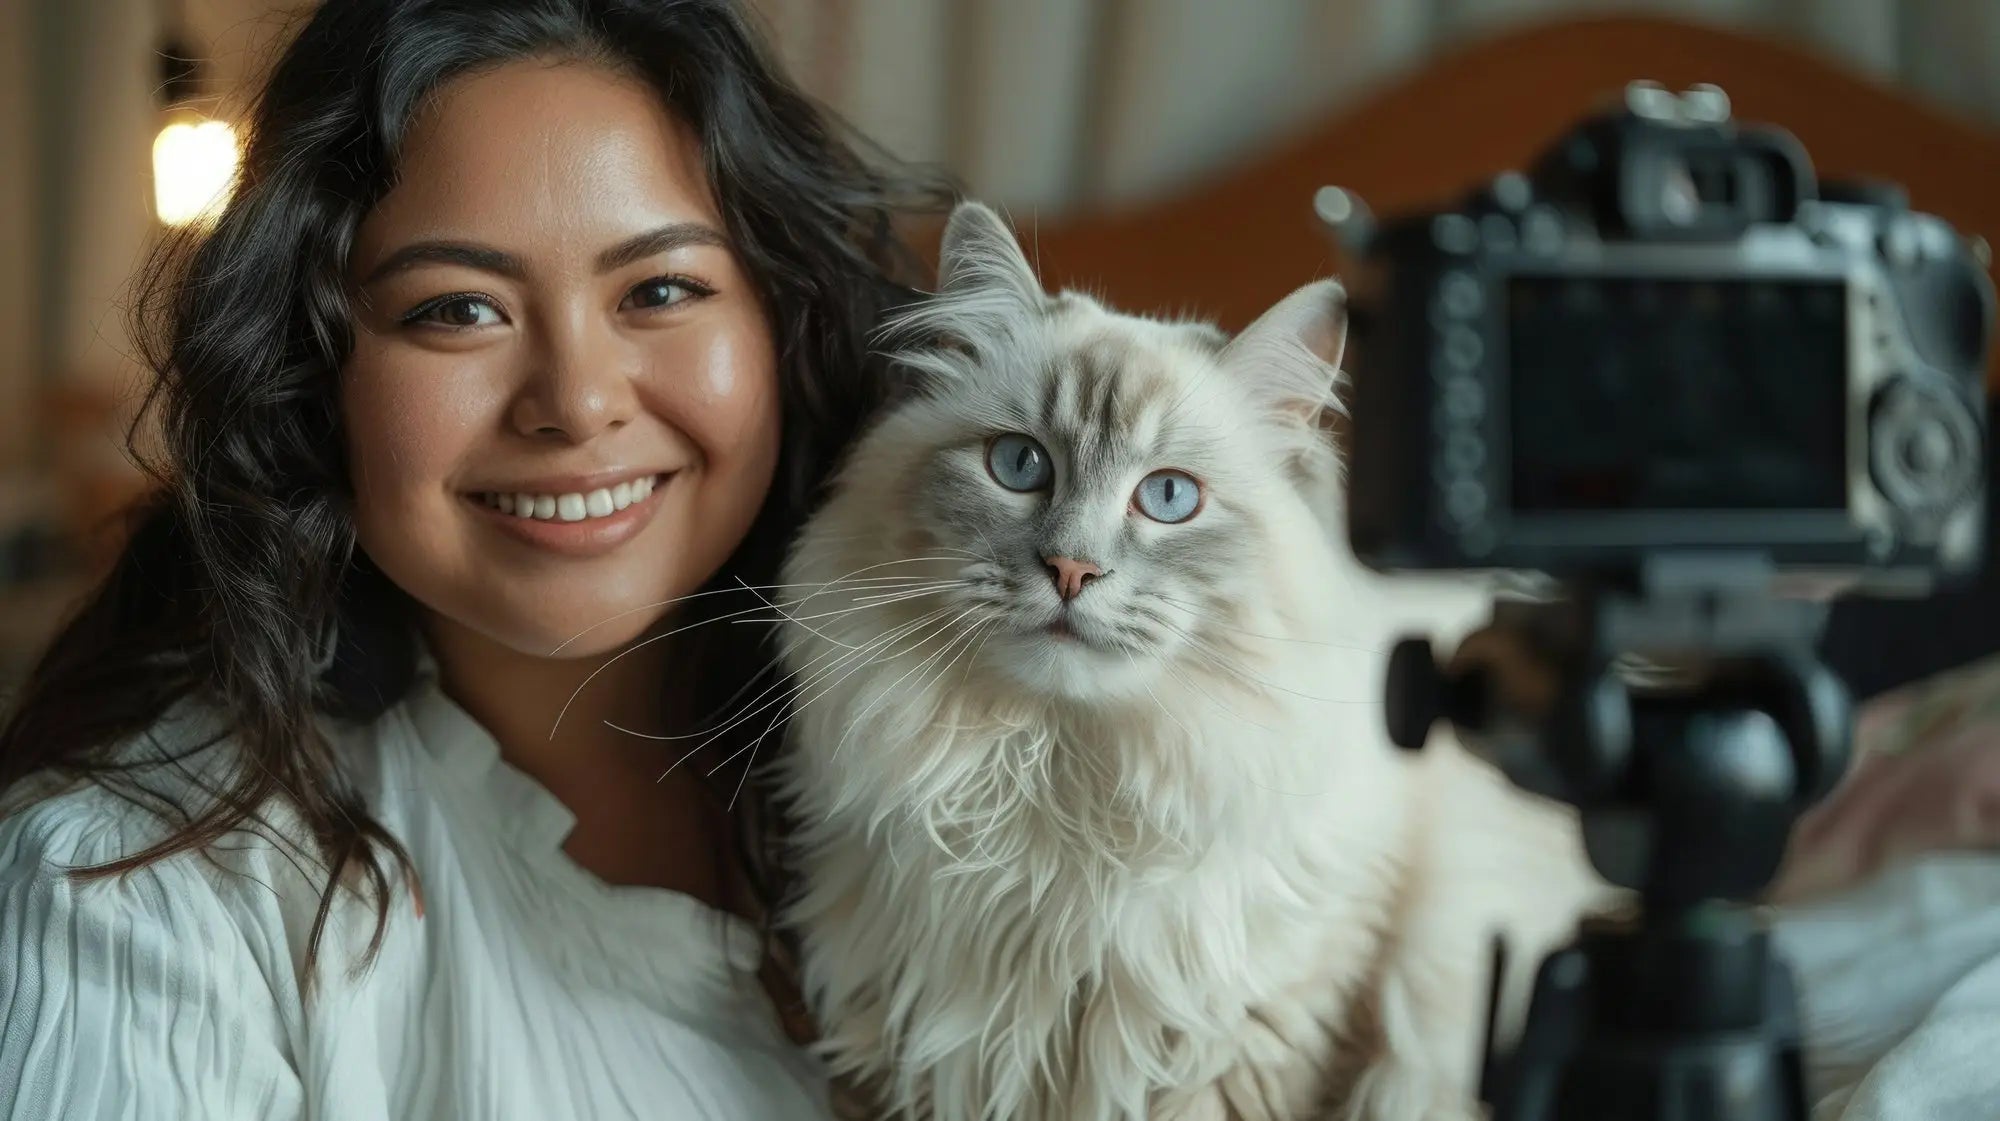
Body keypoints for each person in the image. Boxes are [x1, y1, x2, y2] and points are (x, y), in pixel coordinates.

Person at [0, 1, 946, 1116]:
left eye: (659, 290)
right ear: (312, 371)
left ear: (784, 323)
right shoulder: (139, 886)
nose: (576, 402)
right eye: (458, 309)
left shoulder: (1022, 782)